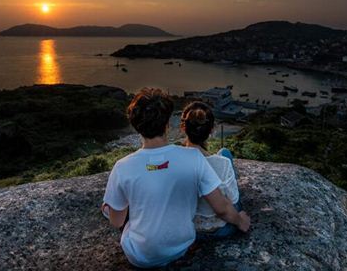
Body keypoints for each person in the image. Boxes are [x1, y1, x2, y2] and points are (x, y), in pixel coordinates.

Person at [102, 88, 250, 268]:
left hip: (140, 257)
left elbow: (116, 221)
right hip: (181, 247)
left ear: (136, 126)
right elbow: (221, 207)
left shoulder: (122, 167)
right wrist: (241, 220)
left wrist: (111, 208)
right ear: (167, 125)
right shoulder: (193, 158)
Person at [181, 101, 241, 239]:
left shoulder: (174, 160)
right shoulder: (223, 163)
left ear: (183, 128)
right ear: (212, 130)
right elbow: (231, 200)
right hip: (220, 230)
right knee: (225, 152)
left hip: (188, 229)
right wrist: (240, 219)